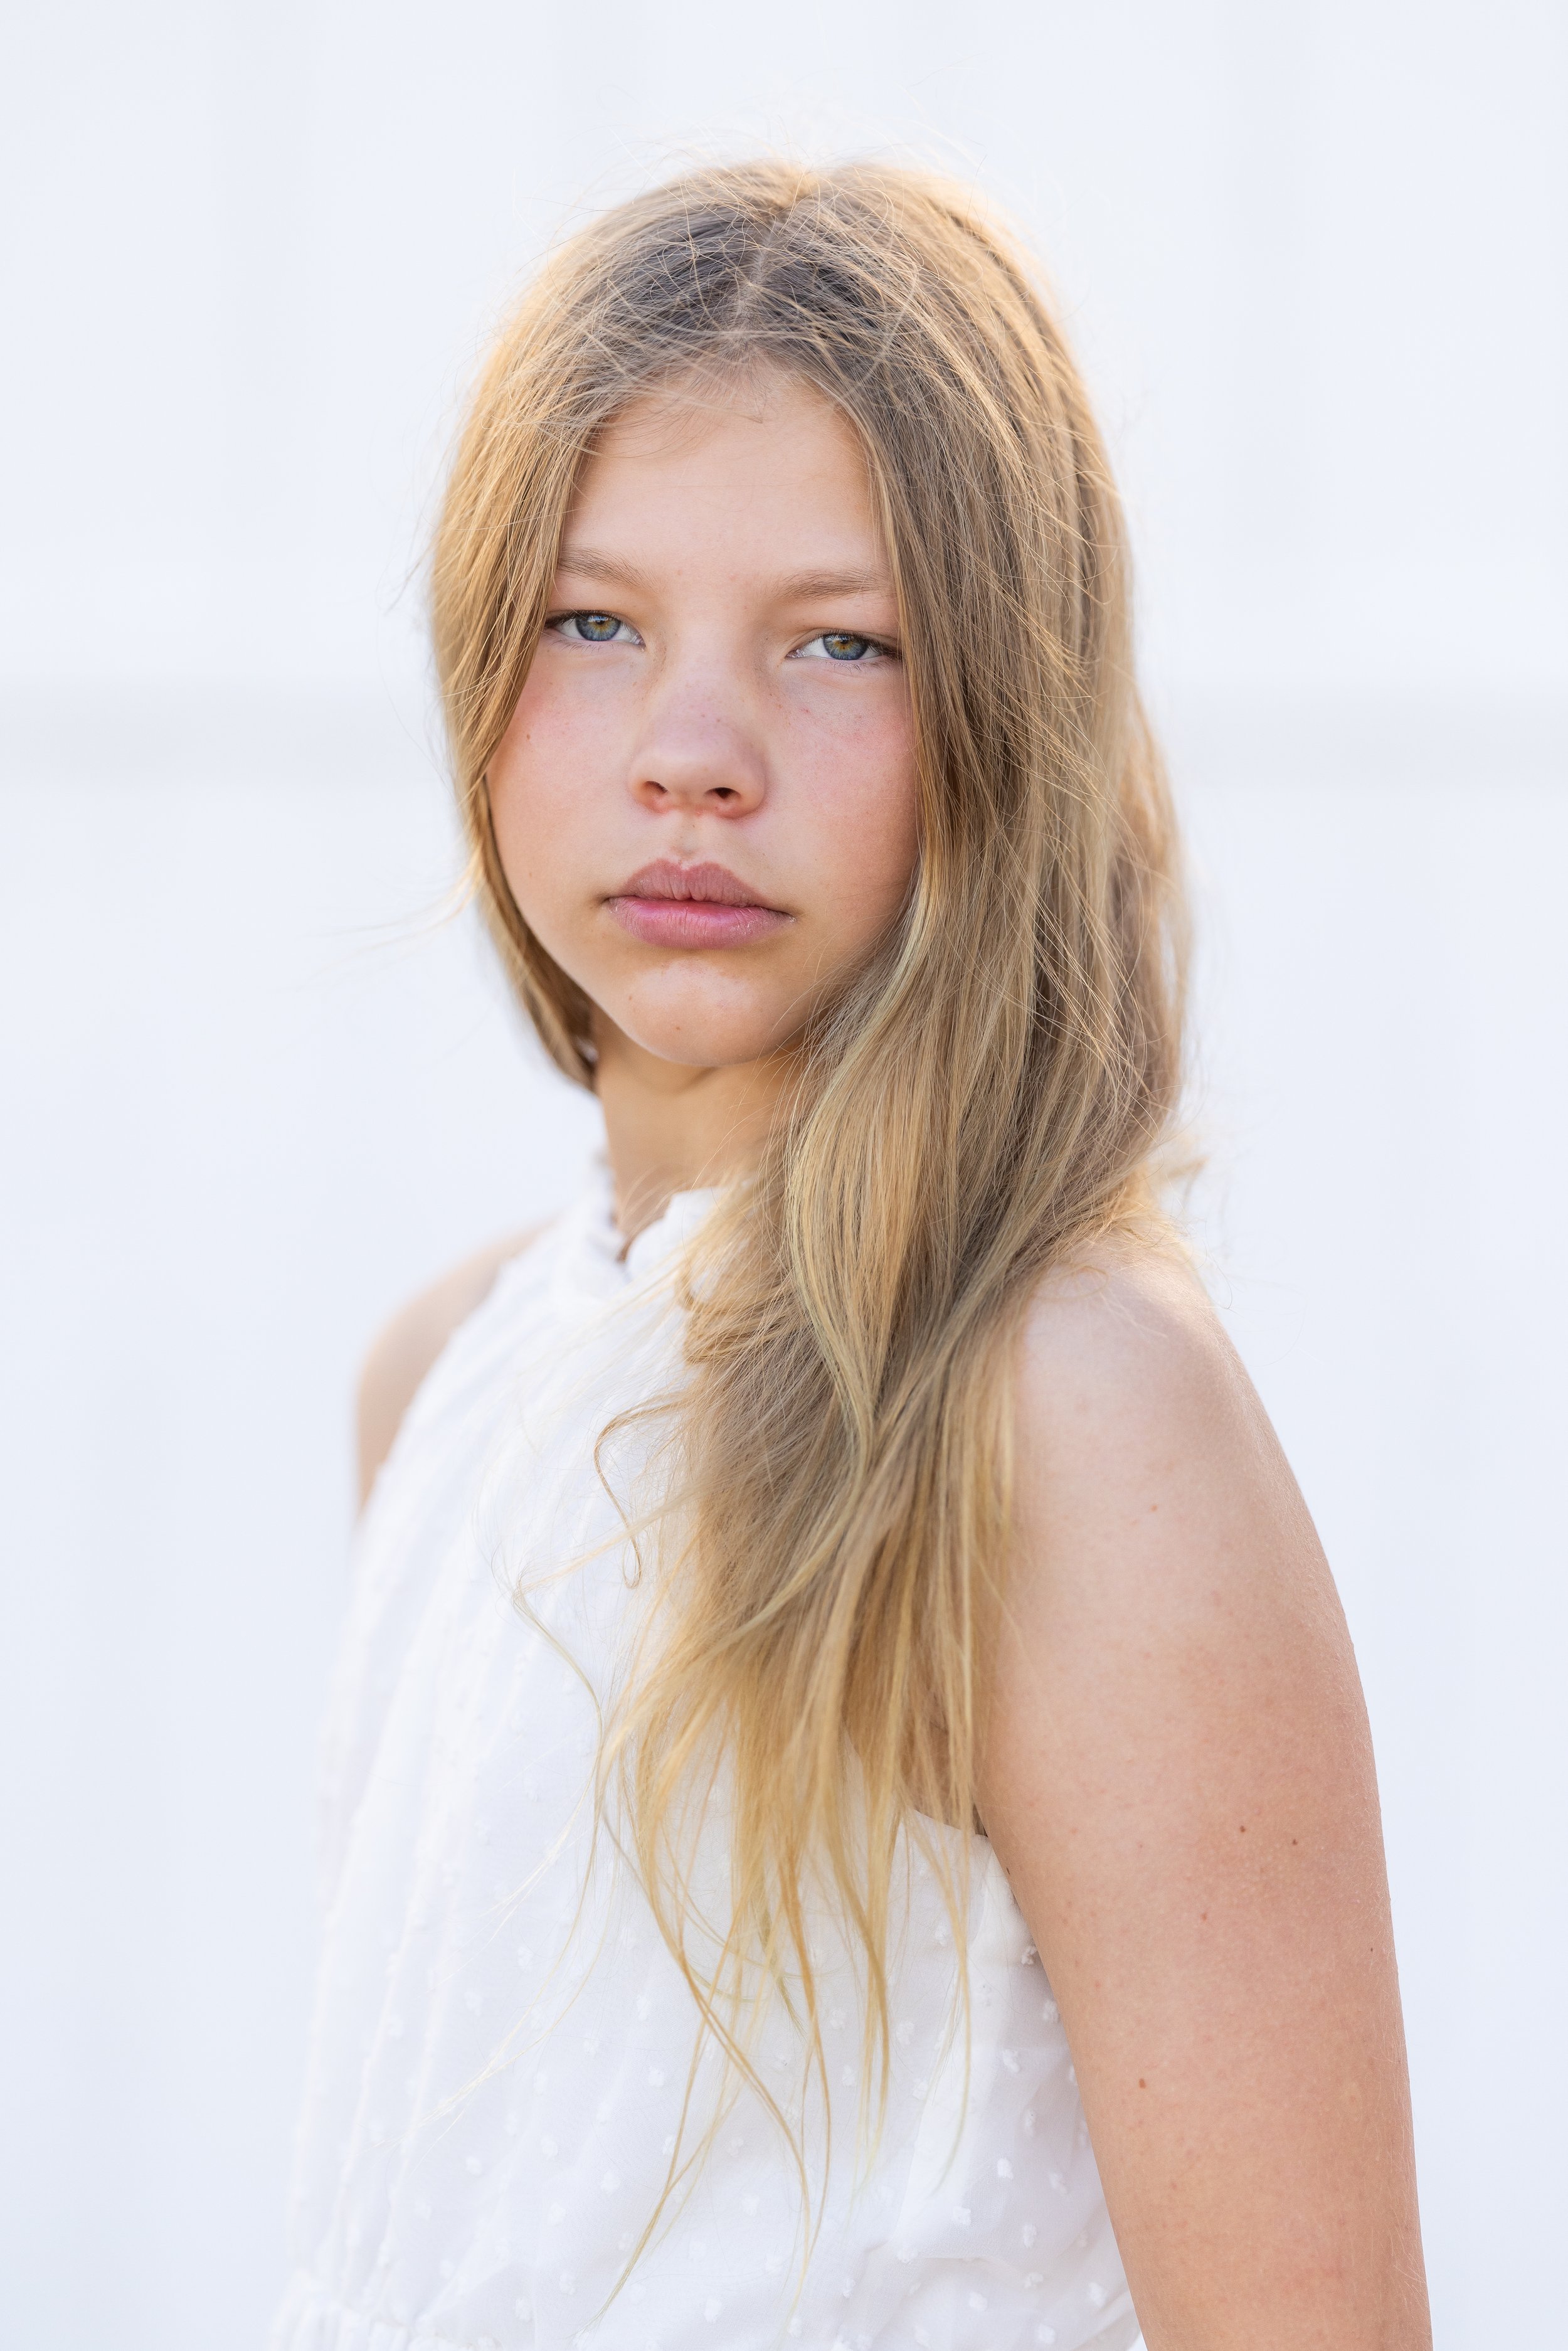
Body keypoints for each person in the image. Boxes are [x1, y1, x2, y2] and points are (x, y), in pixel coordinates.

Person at [273, 161, 1430, 2351]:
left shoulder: (1063, 1410)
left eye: (838, 643)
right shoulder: (442, 1372)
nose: (692, 756)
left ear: (1001, 707)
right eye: (591, 623)